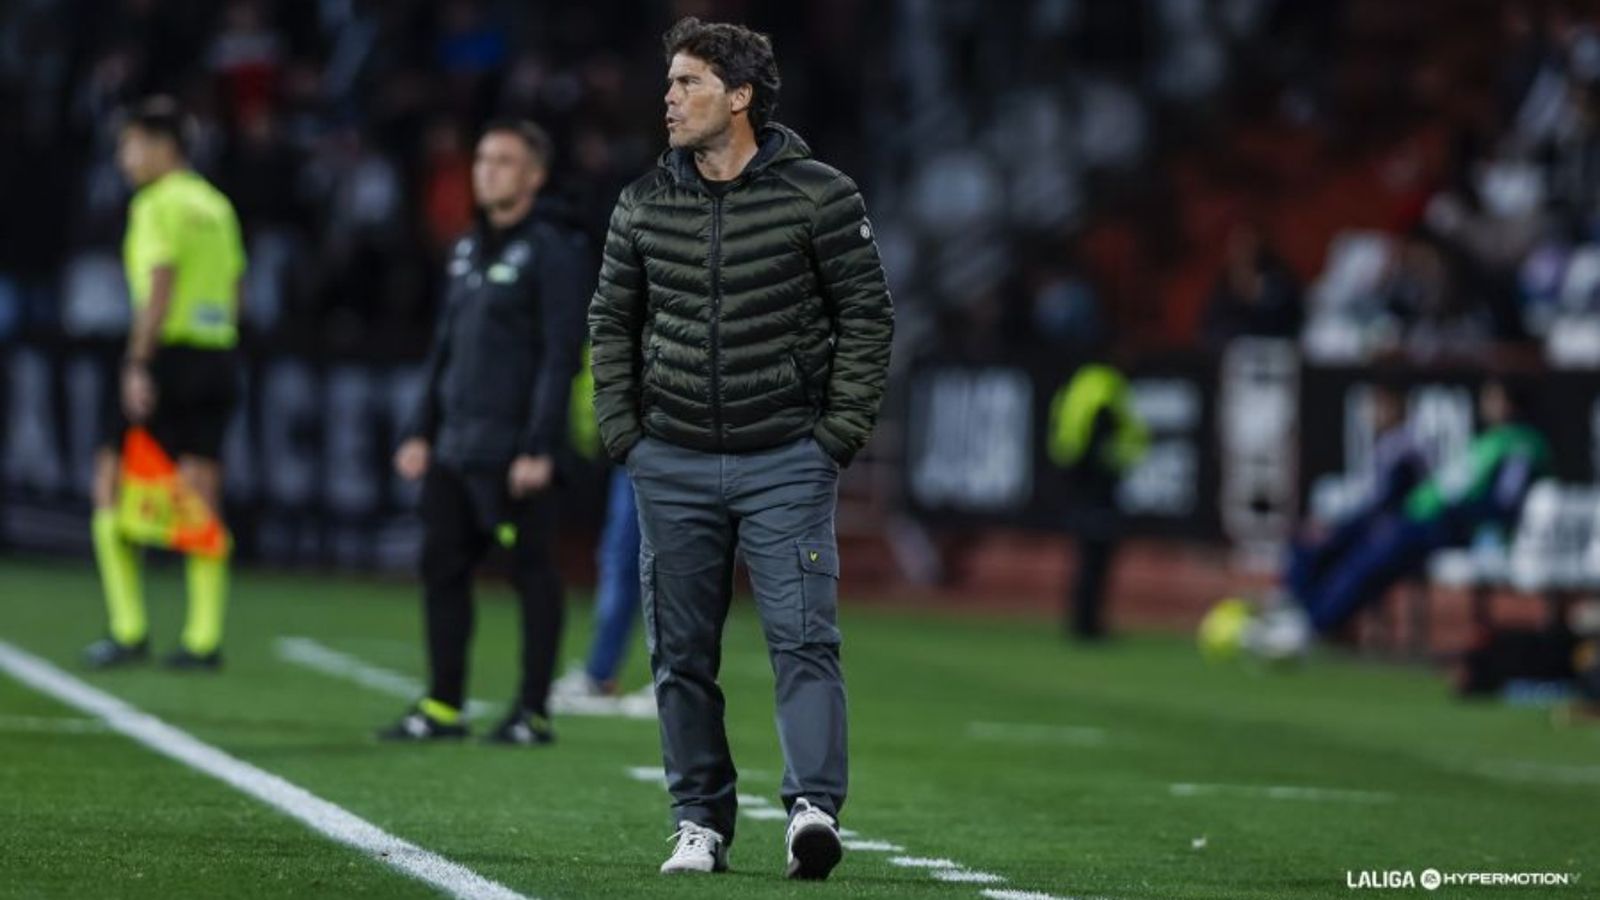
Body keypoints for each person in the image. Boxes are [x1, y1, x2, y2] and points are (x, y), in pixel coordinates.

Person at [587, 17, 893, 880]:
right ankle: (700, 824)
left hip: (785, 460)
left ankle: (811, 811)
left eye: (688, 83)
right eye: (671, 83)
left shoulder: (820, 195)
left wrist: (834, 436)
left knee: (803, 640)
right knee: (679, 654)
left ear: (741, 95)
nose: (669, 99)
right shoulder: (644, 201)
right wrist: (628, 436)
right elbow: (611, 321)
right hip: (670, 460)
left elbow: (868, 318)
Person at [380, 119, 589, 746]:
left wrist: (538, 445)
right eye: (482, 159)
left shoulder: (552, 250)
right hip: (453, 446)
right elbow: (443, 348)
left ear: (534, 176)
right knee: (441, 568)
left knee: (532, 574)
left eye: (503, 161)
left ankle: (532, 710)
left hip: (512, 452)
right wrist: (421, 429)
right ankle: (443, 704)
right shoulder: (468, 247)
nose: (487, 170)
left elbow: (561, 354)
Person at [83, 97, 246, 672]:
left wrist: (137, 362)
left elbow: (160, 282)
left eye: (131, 145)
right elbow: (234, 287)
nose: (124, 159)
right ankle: (203, 638)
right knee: (202, 489)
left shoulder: (156, 204)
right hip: (218, 353)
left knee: (108, 478)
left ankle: (128, 628)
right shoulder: (217, 206)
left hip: (167, 354)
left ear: (161, 147)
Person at [1235, 379, 1548, 659]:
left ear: (1509, 403)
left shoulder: (1520, 444)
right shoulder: (1489, 440)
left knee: (1379, 549)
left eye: (1494, 398)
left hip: (1461, 530)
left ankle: (1311, 625)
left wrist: (1453, 513)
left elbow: (1504, 504)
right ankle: (1298, 610)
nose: (1487, 404)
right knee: (1342, 539)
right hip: (1427, 522)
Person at [1046, 360, 1148, 640]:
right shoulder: (1106, 389)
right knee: (1096, 556)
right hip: (1099, 487)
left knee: (1085, 555)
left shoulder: (1075, 386)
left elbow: (1063, 436)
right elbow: (1111, 441)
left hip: (1076, 482)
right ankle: (1088, 623)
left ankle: (1082, 619)